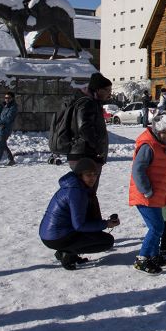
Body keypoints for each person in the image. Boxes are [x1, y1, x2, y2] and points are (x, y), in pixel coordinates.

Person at [39, 158, 119, 270]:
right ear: (80, 175)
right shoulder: (77, 192)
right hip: (55, 237)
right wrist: (106, 224)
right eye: (88, 175)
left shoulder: (75, 186)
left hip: (50, 233)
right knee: (106, 241)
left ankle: (68, 251)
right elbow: (79, 225)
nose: (93, 178)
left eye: (95, 174)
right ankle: (67, 253)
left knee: (95, 234)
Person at [129, 112, 166, 274]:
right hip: (145, 196)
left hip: (154, 195)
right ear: (157, 131)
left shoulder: (163, 147)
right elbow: (138, 170)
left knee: (158, 226)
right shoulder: (148, 146)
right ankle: (142, 259)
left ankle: (154, 255)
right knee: (156, 227)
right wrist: (147, 190)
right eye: (164, 132)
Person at [67, 72, 113, 220]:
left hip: (87, 154)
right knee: (85, 195)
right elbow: (84, 127)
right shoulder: (87, 103)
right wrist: (97, 147)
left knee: (87, 194)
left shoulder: (92, 103)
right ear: (98, 90)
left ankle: (88, 227)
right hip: (85, 155)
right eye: (107, 90)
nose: (109, 94)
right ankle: (85, 228)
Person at [0, 91, 17, 168]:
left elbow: (6, 119)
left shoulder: (13, 107)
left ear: (12, 98)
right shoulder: (5, 106)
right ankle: (11, 160)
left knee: (0, 144)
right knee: (3, 144)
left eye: (8, 98)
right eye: (5, 97)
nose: (7, 99)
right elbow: (1, 116)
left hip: (6, 129)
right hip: (0, 128)